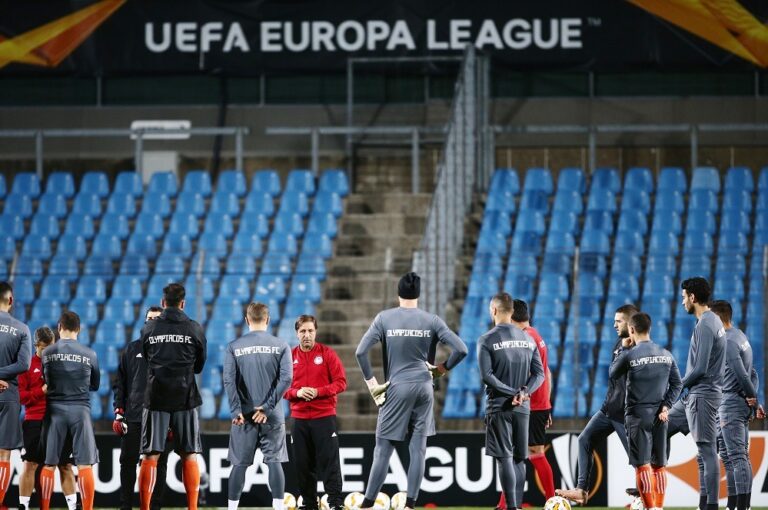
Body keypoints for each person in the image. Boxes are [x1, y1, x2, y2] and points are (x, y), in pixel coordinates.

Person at [355, 272, 468, 510]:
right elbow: (461, 349)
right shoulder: (432, 320)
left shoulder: (384, 318)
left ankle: (367, 505)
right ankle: (410, 505)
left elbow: (360, 352)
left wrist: (372, 384)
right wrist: (442, 369)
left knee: (383, 450)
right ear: (418, 295)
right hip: (425, 387)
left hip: (397, 388)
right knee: (418, 450)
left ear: (398, 294)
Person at [557, 303, 639, 504]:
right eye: (614, 321)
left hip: (625, 413)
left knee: (638, 457)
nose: (614, 325)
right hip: (608, 409)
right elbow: (614, 378)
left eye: (619, 321)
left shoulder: (640, 348)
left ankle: (646, 495)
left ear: (630, 324)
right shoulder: (619, 344)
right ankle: (581, 490)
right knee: (584, 439)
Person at [138, 283, 207, 510]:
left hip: (156, 397)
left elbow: (147, 359)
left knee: (150, 455)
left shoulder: (149, 328)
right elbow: (199, 366)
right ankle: (193, 508)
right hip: (185, 397)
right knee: (189, 454)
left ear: (163, 302)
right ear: (183, 303)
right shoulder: (194, 328)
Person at [609, 312, 682, 510]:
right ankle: (659, 507)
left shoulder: (630, 354)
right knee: (659, 466)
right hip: (661, 415)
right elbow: (678, 384)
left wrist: (623, 349)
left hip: (637, 416)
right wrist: (666, 405)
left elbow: (613, 373)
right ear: (650, 329)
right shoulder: (666, 354)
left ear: (631, 330)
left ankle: (650, 508)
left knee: (642, 465)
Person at [478, 293, 545, 510]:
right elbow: (540, 374)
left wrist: (510, 393)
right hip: (523, 407)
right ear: (512, 312)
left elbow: (487, 376)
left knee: (505, 457)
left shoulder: (487, 339)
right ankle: (516, 507)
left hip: (499, 406)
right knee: (519, 458)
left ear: (494, 310)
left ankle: (512, 507)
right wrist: (523, 392)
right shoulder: (528, 339)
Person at [223, 302, 292, 510]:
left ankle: (232, 509)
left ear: (246, 320)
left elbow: (229, 380)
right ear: (268, 319)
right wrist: (267, 407)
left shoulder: (234, 347)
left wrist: (236, 410)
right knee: (274, 461)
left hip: (243, 415)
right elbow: (287, 379)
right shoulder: (281, 345)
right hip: (272, 416)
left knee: (239, 465)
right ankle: (279, 507)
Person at [495, 299, 554, 510]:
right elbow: (546, 373)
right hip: (538, 403)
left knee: (529, 453)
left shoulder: (524, 338)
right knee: (520, 454)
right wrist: (547, 403)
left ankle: (551, 501)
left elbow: (527, 372)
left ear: (511, 317)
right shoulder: (536, 335)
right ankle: (506, 504)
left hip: (528, 405)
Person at [284, 315, 347, 510]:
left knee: (330, 463)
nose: (307, 335)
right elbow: (281, 388)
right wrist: (297, 393)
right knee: (303, 465)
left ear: (316, 332)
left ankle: (335, 503)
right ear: (297, 333)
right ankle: (309, 504)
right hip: (299, 419)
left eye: (310, 331)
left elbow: (341, 382)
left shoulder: (327, 354)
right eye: (303, 331)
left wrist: (318, 392)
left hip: (324, 417)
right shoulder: (289, 357)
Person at [113, 306, 172, 510]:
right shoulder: (131, 349)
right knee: (127, 462)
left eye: (156, 319)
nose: (152, 322)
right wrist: (119, 411)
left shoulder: (171, 351)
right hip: (134, 416)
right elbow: (120, 383)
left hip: (160, 417)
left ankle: (155, 506)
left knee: (160, 463)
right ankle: (126, 506)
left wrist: (173, 416)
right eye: (149, 318)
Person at [39, 311, 99, 510]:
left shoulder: (47, 353)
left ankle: (44, 507)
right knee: (84, 464)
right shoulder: (90, 354)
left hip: (54, 411)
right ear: (79, 329)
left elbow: (44, 381)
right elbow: (95, 385)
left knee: (49, 464)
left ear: (59, 327)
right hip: (80, 411)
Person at [676, 277, 726, 510]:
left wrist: (677, 385)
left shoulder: (706, 324)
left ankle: (711, 506)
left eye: (684, 297)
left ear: (693, 297)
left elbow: (701, 368)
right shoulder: (712, 320)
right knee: (660, 426)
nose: (682, 302)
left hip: (703, 395)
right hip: (698, 394)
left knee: (707, 450)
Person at [710, 300, 763, 510]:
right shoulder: (740, 336)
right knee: (729, 455)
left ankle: (742, 506)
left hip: (731, 403)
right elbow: (752, 372)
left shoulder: (729, 342)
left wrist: (753, 399)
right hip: (734, 401)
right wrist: (753, 398)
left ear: (717, 318)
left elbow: (743, 375)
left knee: (737, 456)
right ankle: (733, 505)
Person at [18, 326, 78, 510]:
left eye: (50, 347)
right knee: (30, 464)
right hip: (35, 420)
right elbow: (22, 397)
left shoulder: (61, 364)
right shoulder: (26, 366)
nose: (47, 351)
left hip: (59, 419)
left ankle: (73, 506)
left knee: (65, 465)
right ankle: (23, 505)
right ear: (36, 345)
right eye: (44, 348)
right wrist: (42, 391)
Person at [0, 281, 32, 509]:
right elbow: (23, 364)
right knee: (3, 453)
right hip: (8, 395)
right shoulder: (21, 329)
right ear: (11, 300)